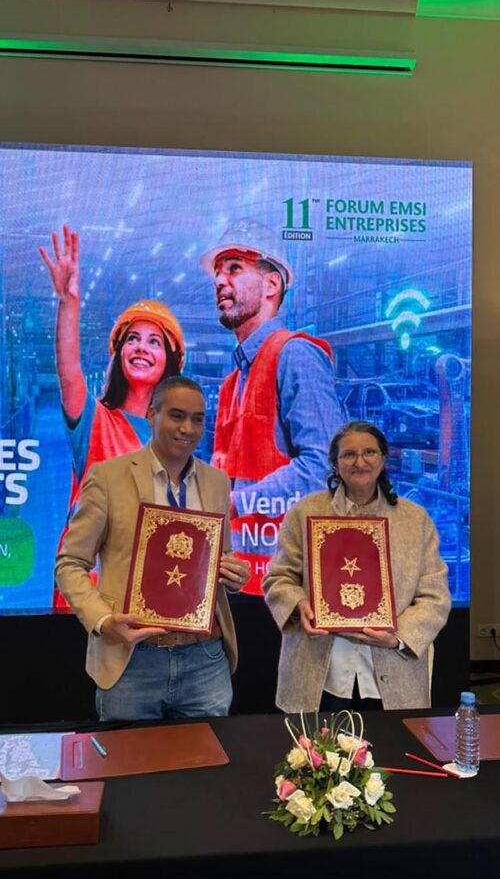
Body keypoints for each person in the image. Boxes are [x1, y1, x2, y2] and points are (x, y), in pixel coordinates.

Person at [55, 376, 250, 721]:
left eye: (197, 419)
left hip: (204, 660)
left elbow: (221, 556)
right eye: (176, 416)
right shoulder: (108, 477)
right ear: (151, 415)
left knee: (205, 757)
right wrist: (103, 620)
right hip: (133, 658)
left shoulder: (216, 482)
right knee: (128, 756)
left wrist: (234, 574)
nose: (187, 428)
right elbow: (70, 563)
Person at [39, 225, 185, 607]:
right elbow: (69, 372)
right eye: (132, 339)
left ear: (169, 360)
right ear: (119, 354)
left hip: (147, 599)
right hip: (87, 600)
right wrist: (69, 303)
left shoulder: (177, 442)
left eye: (154, 342)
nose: (141, 348)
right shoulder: (95, 421)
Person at [263, 421, 451, 712]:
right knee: (316, 743)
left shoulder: (416, 520)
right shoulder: (305, 512)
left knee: (389, 743)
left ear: (383, 459)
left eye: (369, 452)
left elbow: (435, 596)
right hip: (320, 673)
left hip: (393, 674)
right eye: (349, 454)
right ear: (335, 464)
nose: (360, 462)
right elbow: (278, 577)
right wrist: (299, 605)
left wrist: (397, 637)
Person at [200, 218, 343, 594]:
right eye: (217, 273)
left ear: (271, 285)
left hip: (290, 587)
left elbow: (326, 467)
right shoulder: (232, 384)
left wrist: (238, 503)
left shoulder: (295, 356)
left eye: (234, 268)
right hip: (240, 581)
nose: (219, 281)